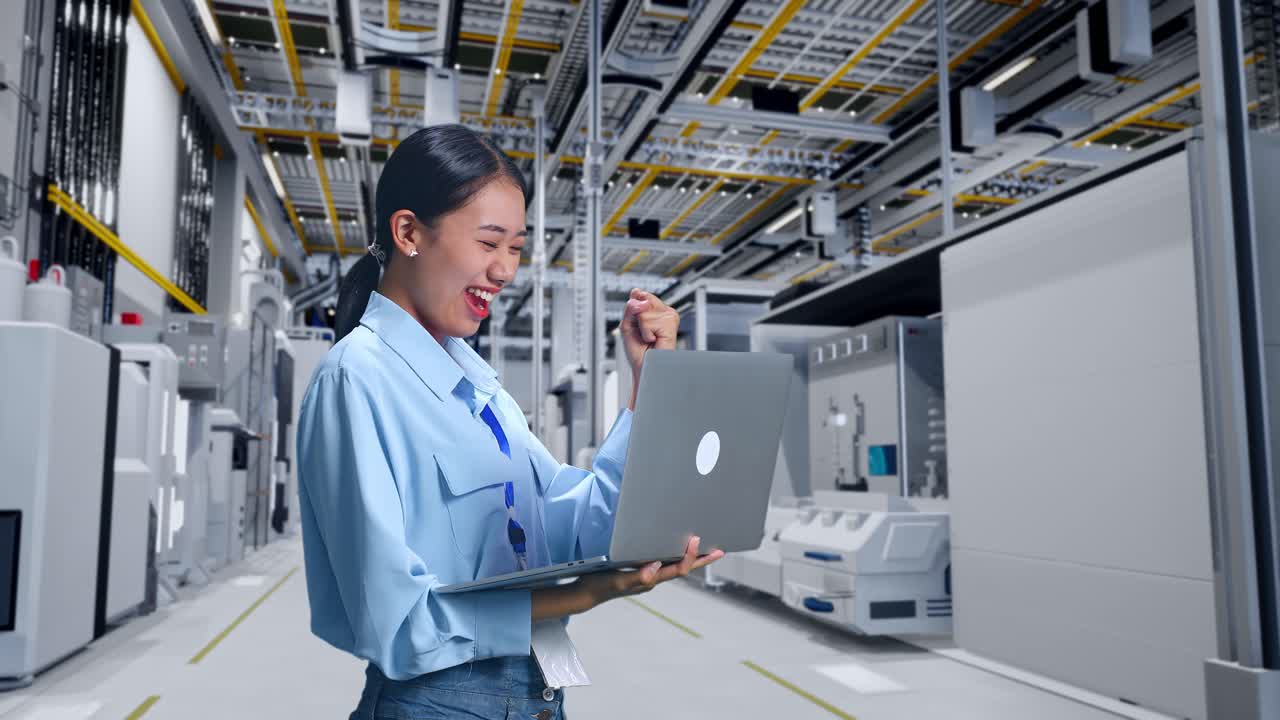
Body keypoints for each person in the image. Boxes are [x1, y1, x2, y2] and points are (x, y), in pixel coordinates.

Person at [296, 124, 724, 720]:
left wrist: (650, 387)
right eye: (489, 242)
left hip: (536, 694)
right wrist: (585, 593)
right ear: (409, 232)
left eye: (516, 248)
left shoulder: (482, 390)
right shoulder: (358, 379)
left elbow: (571, 530)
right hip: (434, 704)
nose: (504, 271)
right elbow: (394, 622)